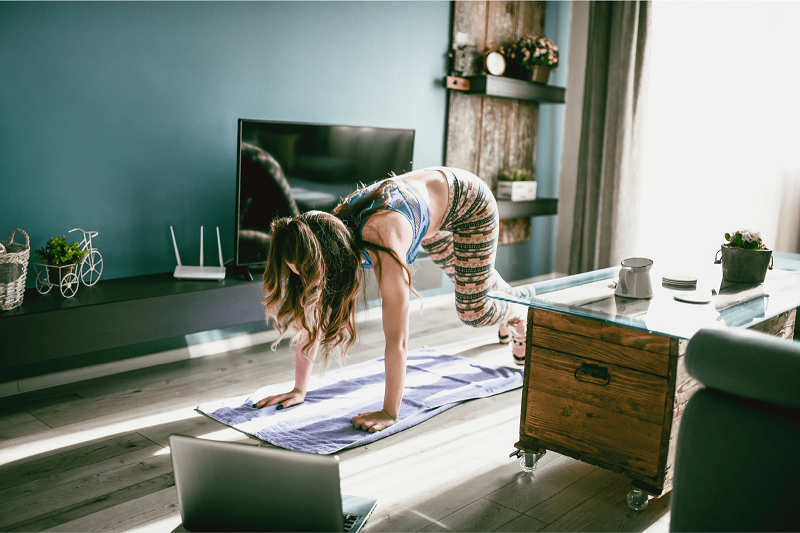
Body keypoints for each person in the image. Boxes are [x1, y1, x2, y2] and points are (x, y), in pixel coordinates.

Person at [253, 167, 534, 432]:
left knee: (474, 309)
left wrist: (389, 413)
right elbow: (312, 314)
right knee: (472, 283)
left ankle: (519, 307)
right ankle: (500, 297)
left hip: (470, 203)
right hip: (431, 212)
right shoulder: (327, 233)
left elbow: (397, 339)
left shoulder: (385, 242)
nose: (308, 284)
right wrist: (299, 389)